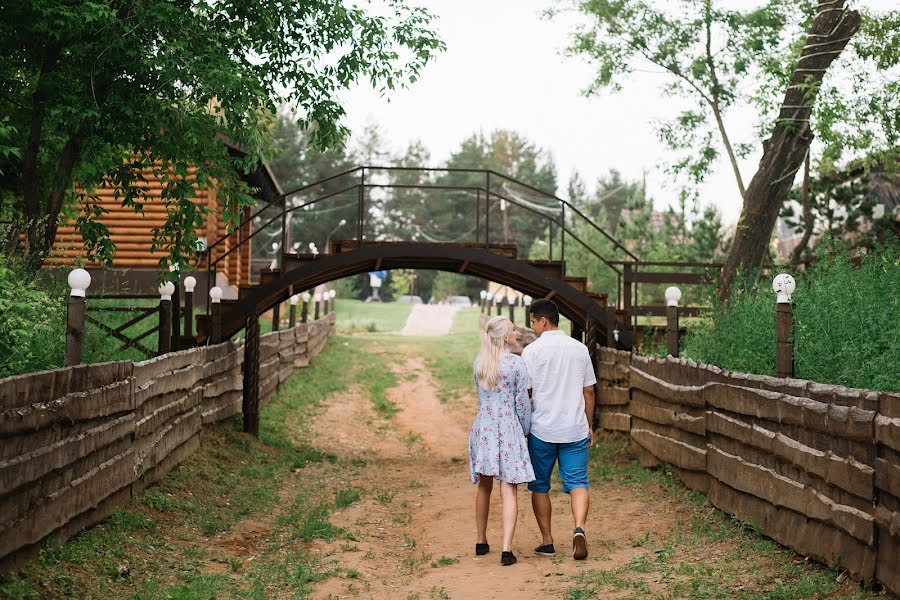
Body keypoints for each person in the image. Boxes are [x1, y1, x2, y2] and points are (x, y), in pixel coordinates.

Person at [521, 298, 596, 560]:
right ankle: (579, 528)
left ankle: (548, 541)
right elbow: (588, 391)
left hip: (542, 430)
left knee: (540, 486)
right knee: (578, 484)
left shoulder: (531, 351)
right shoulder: (579, 349)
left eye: (532, 322)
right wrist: (589, 424)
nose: (532, 327)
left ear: (543, 320)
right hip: (574, 428)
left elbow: (527, 392)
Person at [468, 315, 534, 566]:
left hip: (483, 426)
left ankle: (481, 540)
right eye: (512, 329)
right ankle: (506, 549)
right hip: (507, 427)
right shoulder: (515, 365)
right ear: (505, 336)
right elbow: (522, 404)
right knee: (509, 488)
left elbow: (481, 398)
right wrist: (525, 431)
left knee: (484, 485)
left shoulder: (480, 363)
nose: (516, 332)